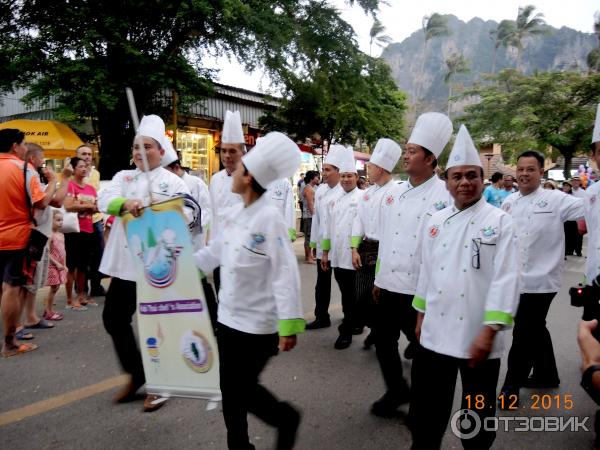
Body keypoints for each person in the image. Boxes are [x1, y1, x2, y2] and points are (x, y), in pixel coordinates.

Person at [409, 125, 520, 450]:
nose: (465, 182)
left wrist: (489, 330)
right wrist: (419, 314)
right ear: (447, 182)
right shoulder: (435, 222)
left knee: (477, 419)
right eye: (457, 176)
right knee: (427, 414)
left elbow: (507, 278)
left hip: (478, 335)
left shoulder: (500, 222)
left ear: (483, 179)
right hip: (435, 334)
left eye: (472, 175)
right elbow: (427, 272)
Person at [195, 132, 304, 450]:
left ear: (250, 176)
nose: (231, 170)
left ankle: (286, 419)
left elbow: (286, 273)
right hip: (228, 319)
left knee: (242, 389)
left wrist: (290, 323)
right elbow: (213, 253)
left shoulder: (270, 219)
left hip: (258, 325)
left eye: (239, 166)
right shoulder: (232, 213)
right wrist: (179, 267)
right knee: (230, 392)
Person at [98, 115, 193, 412]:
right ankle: (137, 372)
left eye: (147, 147)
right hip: (127, 266)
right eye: (136, 147)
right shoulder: (123, 179)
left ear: (161, 151)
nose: (140, 153)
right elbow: (105, 199)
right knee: (113, 319)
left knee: (158, 326)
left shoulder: (174, 183)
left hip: (158, 267)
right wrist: (125, 204)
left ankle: (163, 383)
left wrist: (160, 210)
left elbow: (189, 218)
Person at [371, 112, 453, 417]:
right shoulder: (395, 193)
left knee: (424, 351)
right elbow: (387, 239)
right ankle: (396, 389)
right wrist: (379, 279)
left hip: (420, 290)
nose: (406, 155)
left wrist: (429, 297)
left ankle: (422, 407)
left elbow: (442, 251)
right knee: (383, 342)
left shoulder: (444, 196)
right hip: (390, 284)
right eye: (405, 150)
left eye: (412, 151)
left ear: (430, 159)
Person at [499, 151, 584, 406]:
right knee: (535, 327)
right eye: (521, 169)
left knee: (524, 331)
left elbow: (591, 204)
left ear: (540, 173)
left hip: (543, 280)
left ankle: (510, 387)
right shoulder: (508, 203)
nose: (524, 174)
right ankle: (547, 374)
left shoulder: (557, 200)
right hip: (515, 279)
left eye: (531, 169)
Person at [0, 129, 59, 357]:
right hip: (17, 237)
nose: (25, 149)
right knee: (12, 288)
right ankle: (10, 342)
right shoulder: (24, 169)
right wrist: (53, 181)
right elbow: (42, 202)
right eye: (23, 144)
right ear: (15, 146)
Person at [350, 138, 402, 349]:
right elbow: (359, 221)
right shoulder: (366, 194)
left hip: (388, 250)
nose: (367, 170)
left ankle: (388, 334)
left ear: (380, 168)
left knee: (385, 298)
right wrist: (354, 248)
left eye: (369, 166)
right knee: (362, 295)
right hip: (367, 248)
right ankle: (375, 328)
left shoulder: (398, 191)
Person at [162, 141, 218, 327]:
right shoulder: (165, 187)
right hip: (171, 246)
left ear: (176, 167)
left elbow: (206, 210)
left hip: (193, 242)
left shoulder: (196, 184)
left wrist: (187, 229)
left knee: (199, 283)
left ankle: (212, 321)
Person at [20, 144, 72, 333]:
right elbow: (47, 201)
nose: (44, 162)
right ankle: (21, 322)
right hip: (33, 235)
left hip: (38, 235)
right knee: (26, 281)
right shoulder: (30, 175)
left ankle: (30, 316)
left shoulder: (32, 176)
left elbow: (54, 200)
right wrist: (58, 179)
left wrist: (59, 180)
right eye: (42, 158)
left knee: (32, 281)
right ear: (33, 159)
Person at [321, 149, 361, 349]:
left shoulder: (362, 198)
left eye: (349, 176)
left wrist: (356, 248)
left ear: (356, 177)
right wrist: (325, 253)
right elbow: (328, 228)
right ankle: (354, 322)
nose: (346, 179)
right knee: (346, 292)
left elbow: (361, 228)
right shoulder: (333, 199)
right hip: (337, 255)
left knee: (352, 295)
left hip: (355, 257)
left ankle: (346, 331)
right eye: (343, 175)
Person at [306, 145, 346, 329]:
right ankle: (321, 316)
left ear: (338, 171)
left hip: (339, 248)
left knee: (344, 284)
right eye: (323, 169)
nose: (324, 173)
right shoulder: (320, 191)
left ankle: (351, 317)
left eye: (328, 170)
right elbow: (317, 220)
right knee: (321, 284)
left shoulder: (344, 191)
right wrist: (314, 243)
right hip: (323, 247)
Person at [209, 110, 245, 295]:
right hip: (219, 251)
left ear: (242, 152)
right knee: (221, 294)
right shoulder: (215, 179)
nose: (227, 155)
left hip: (242, 254)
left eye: (232, 151)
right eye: (223, 150)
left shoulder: (250, 180)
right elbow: (212, 215)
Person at [63, 156, 98, 310]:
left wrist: (87, 205)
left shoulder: (91, 189)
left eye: (86, 166)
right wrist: (87, 206)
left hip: (88, 229)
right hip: (73, 231)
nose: (84, 169)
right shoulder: (70, 185)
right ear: (73, 169)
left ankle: (82, 295)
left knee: (84, 266)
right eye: (80, 166)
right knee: (72, 265)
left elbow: (97, 207)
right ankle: (70, 299)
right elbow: (68, 205)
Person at [77, 144, 106, 296]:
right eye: (84, 154)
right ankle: (81, 289)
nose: (87, 157)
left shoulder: (96, 173)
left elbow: (97, 194)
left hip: (96, 219)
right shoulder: (72, 174)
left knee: (99, 254)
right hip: (80, 220)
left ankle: (96, 286)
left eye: (89, 154)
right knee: (82, 255)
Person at [44, 209, 68, 320]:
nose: (60, 222)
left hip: (60, 265)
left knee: (56, 287)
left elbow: (64, 251)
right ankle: (49, 312)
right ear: (51, 220)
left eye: (61, 220)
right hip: (52, 265)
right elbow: (46, 252)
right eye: (58, 220)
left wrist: (65, 264)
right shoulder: (49, 235)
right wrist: (56, 263)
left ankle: (48, 310)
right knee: (54, 287)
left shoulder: (61, 235)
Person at [301, 171, 319, 264]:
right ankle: (308, 257)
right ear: (312, 178)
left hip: (309, 216)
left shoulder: (310, 188)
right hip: (309, 216)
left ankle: (309, 255)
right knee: (308, 237)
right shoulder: (309, 188)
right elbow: (310, 204)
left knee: (310, 236)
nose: (318, 178)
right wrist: (314, 216)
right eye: (316, 177)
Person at [562, 180, 583, 257]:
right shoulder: (560, 195)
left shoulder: (573, 195)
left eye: (567, 186)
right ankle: (568, 250)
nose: (565, 187)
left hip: (574, 218)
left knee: (577, 235)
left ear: (570, 187)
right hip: (565, 219)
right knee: (567, 235)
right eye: (564, 186)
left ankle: (578, 251)